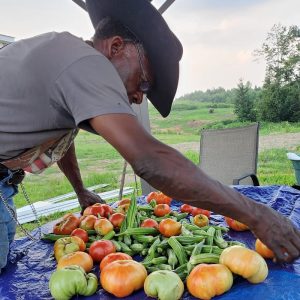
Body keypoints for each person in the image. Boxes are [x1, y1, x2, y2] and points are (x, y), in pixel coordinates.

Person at [0, 0, 299, 272]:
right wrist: (257, 215)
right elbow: (149, 160)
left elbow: (64, 135)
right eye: (143, 84)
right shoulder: (85, 62)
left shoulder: (68, 60)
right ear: (116, 47)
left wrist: (80, 189)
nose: (140, 98)